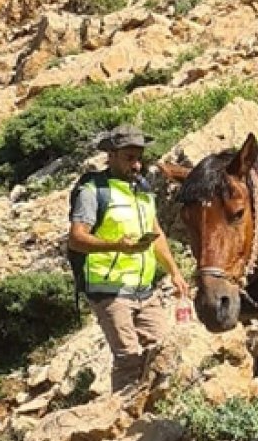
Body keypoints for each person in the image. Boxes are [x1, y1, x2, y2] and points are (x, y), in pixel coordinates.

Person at [67, 124, 190, 392]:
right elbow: (76, 238)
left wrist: (174, 272)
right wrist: (116, 246)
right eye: (129, 158)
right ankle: (119, 422)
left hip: (144, 290)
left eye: (139, 157)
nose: (136, 165)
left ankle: (150, 415)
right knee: (129, 362)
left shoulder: (142, 189)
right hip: (109, 290)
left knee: (162, 353)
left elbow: (155, 234)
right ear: (110, 155)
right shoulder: (93, 190)